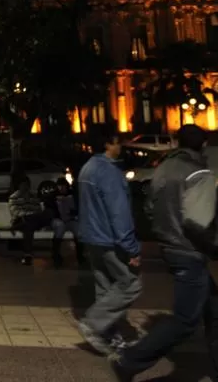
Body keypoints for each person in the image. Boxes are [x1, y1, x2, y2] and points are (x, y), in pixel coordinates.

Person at [109, 125, 218, 382]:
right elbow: (197, 221)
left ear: (176, 141)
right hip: (189, 252)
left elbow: (149, 208)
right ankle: (130, 360)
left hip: (171, 247)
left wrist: (165, 233)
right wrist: (217, 246)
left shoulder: (163, 169)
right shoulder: (199, 172)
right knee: (186, 320)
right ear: (203, 144)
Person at [76, 131, 142, 354]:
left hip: (92, 237)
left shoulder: (87, 169)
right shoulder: (109, 173)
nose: (120, 147)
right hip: (109, 238)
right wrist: (131, 248)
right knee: (130, 284)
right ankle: (94, 323)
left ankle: (111, 337)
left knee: (104, 288)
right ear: (107, 144)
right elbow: (119, 214)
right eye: (117, 143)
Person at [8, 165, 51, 266]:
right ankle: (27, 255)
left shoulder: (33, 196)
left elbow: (39, 209)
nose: (25, 187)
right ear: (19, 186)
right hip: (21, 220)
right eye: (23, 185)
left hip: (32, 221)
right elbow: (16, 212)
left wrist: (32, 214)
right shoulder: (14, 198)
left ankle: (27, 255)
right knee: (28, 225)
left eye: (27, 185)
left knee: (47, 214)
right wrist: (30, 214)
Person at [47, 177, 84, 267]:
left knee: (78, 229)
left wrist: (72, 212)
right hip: (57, 220)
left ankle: (80, 255)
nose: (62, 188)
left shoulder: (72, 195)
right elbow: (50, 211)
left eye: (63, 186)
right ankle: (56, 255)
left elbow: (77, 209)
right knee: (60, 227)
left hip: (70, 220)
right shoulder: (52, 196)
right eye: (60, 186)